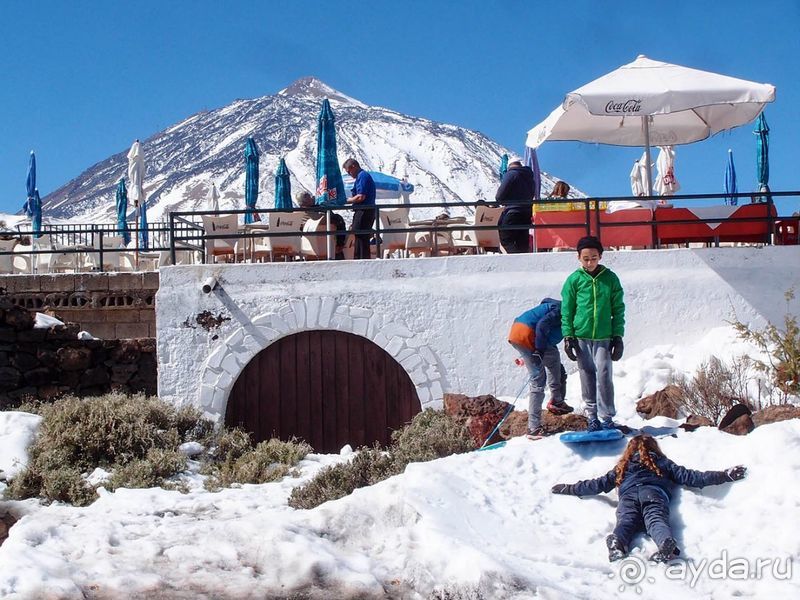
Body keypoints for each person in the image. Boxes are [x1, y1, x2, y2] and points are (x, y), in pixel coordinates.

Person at [551, 434, 747, 563]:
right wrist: (725, 475)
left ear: (630, 450)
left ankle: (617, 542)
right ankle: (665, 543)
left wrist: (569, 488)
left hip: (628, 496)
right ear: (654, 448)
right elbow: (692, 477)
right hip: (654, 493)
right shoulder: (661, 462)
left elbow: (598, 484)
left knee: (626, 521)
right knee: (656, 520)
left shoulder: (623, 466)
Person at [561, 235, 625, 432]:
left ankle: (607, 417)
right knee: (586, 374)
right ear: (578, 257)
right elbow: (567, 310)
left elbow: (618, 309)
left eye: (594, 258)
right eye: (586, 259)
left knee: (604, 374)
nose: (590, 263)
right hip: (581, 335)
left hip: (604, 336)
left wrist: (618, 336)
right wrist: (568, 336)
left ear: (601, 256)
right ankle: (592, 416)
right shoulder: (574, 280)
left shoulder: (610, 278)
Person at [508, 298, 574, 437]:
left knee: (554, 360)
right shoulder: (562, 310)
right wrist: (538, 349)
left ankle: (557, 400)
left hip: (521, 333)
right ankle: (533, 428)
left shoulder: (554, 307)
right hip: (528, 336)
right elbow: (542, 324)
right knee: (538, 380)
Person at [495, 159, 534, 253]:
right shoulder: (529, 177)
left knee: (505, 238)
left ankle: (515, 258)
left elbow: (499, 195)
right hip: (527, 212)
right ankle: (524, 259)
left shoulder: (511, 174)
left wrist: (502, 200)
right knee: (522, 241)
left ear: (509, 166)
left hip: (513, 211)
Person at [296, 191, 346, 259]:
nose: (312, 198)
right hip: (327, 244)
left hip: (309, 244)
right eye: (309, 197)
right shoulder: (322, 211)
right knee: (338, 220)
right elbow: (337, 220)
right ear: (307, 200)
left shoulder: (298, 215)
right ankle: (339, 247)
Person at [343, 158, 376, 260]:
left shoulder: (362, 176)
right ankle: (361, 258)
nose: (349, 174)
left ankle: (361, 259)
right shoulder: (362, 176)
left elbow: (361, 196)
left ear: (353, 167)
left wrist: (346, 201)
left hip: (364, 210)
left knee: (361, 236)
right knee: (360, 236)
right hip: (365, 210)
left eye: (349, 171)